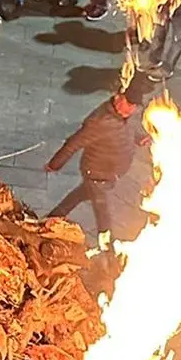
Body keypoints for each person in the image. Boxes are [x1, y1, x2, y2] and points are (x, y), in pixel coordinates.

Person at [46, 88, 148, 248]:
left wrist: (138, 138)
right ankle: (108, 249)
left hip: (108, 174)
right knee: (103, 214)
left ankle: (51, 218)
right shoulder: (99, 122)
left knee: (80, 195)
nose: (132, 110)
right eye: (129, 104)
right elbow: (73, 143)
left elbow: (122, 131)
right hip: (97, 174)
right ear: (118, 98)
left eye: (134, 106)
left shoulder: (120, 117)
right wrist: (55, 164)